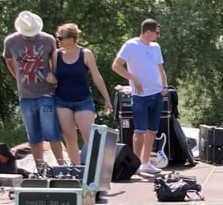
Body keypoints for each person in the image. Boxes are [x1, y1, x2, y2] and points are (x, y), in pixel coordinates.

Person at [2, 10, 65, 168]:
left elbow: (54, 59)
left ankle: (62, 166)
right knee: (33, 135)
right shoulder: (11, 41)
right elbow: (8, 60)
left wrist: (52, 73)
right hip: (25, 95)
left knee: (52, 132)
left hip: (46, 93)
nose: (30, 36)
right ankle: (40, 167)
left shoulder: (48, 39)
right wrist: (17, 76)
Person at [112, 18, 168, 178]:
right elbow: (116, 65)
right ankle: (136, 164)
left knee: (152, 131)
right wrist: (133, 79)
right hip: (140, 96)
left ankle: (146, 163)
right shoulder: (131, 45)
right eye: (156, 33)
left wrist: (164, 87)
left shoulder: (156, 47)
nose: (158, 36)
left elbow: (161, 69)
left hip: (156, 93)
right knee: (139, 131)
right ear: (148, 32)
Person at [50, 22, 114, 165]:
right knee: (70, 139)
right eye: (57, 38)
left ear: (71, 39)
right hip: (62, 101)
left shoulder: (85, 54)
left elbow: (97, 77)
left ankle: (96, 173)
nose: (58, 41)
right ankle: (76, 171)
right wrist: (49, 77)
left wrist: (107, 99)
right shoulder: (56, 55)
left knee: (89, 138)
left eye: (61, 38)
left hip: (83, 100)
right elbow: (52, 74)